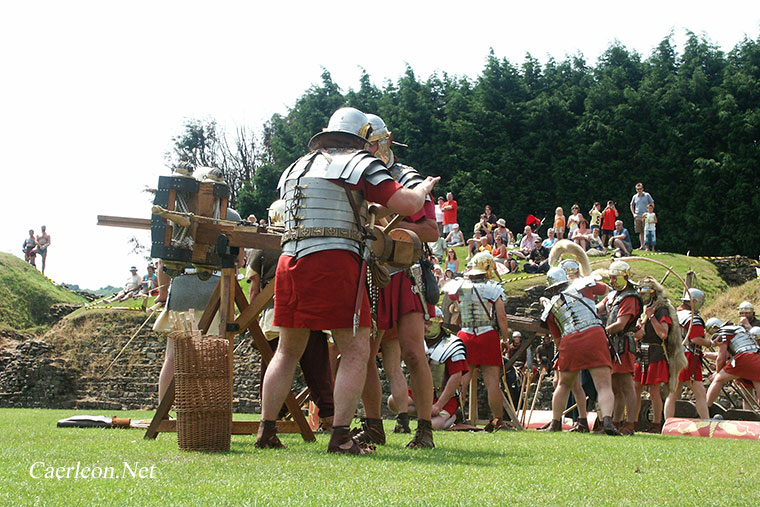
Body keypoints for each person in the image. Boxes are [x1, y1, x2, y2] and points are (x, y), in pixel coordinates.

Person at [256, 107, 439, 454]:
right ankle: (340, 436)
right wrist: (425, 188)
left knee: (286, 350)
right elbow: (407, 200)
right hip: (334, 261)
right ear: (361, 138)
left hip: (290, 258)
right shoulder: (361, 164)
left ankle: (267, 430)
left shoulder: (298, 165)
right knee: (355, 349)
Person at [352, 113, 440, 448]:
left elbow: (432, 231)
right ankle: (373, 425)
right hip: (370, 275)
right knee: (361, 354)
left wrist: (389, 225)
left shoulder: (408, 179)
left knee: (414, 353)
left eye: (371, 144)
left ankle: (425, 429)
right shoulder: (357, 176)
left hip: (405, 274)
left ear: (383, 142)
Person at [539, 266, 620, 434]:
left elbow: (557, 339)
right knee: (604, 385)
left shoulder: (551, 307)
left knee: (563, 384)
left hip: (570, 341)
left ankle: (555, 423)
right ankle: (607, 421)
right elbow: (606, 289)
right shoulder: (583, 285)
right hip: (594, 335)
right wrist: (587, 279)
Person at [447, 252, 510, 431]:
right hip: (487, 335)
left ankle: (457, 417)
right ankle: (498, 421)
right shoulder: (494, 288)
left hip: (465, 335)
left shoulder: (459, 286)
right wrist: (505, 339)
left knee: (461, 381)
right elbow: (502, 317)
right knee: (492, 383)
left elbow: (450, 303)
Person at [389, 309, 468, 431]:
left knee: (434, 425)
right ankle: (424, 413)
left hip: (445, 397)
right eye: (425, 323)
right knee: (393, 401)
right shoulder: (417, 339)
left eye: (431, 323)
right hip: (421, 392)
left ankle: (452, 416)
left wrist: (439, 404)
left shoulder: (453, 344)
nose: (427, 326)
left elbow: (456, 377)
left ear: (440, 323)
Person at [631, 276, 686, 433]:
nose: (643, 296)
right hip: (642, 352)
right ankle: (632, 423)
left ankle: (656, 424)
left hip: (656, 352)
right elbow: (640, 335)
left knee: (654, 391)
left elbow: (663, 333)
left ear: (653, 293)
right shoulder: (644, 310)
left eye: (646, 293)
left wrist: (652, 316)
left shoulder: (661, 310)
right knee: (636, 388)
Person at [600, 261, 640, 435]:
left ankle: (630, 424)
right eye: (611, 278)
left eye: (614, 278)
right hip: (613, 345)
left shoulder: (630, 297)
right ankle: (614, 423)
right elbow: (598, 308)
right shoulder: (614, 295)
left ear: (624, 277)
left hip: (623, 345)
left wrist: (600, 333)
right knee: (615, 386)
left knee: (626, 385)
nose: (612, 281)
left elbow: (620, 324)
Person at [665, 289, 711, 420]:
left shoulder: (672, 314)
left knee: (673, 393)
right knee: (700, 392)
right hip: (688, 356)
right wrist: (710, 343)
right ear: (694, 302)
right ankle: (706, 421)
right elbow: (696, 339)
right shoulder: (692, 318)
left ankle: (666, 423)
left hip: (673, 355)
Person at [705, 319, 760, 408]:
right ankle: (749, 419)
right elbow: (728, 356)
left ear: (714, 327)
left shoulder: (723, 332)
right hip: (757, 357)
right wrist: (707, 355)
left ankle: (705, 408)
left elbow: (721, 358)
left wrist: (718, 373)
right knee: (749, 396)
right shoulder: (739, 329)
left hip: (744, 358)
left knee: (718, 379)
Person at [630, 182, 655, 250]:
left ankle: (648, 247)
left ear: (642, 189)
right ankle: (642, 245)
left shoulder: (647, 195)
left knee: (647, 231)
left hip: (646, 216)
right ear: (636, 190)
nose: (639, 190)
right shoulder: (635, 196)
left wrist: (650, 213)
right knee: (640, 231)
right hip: (637, 216)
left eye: (640, 189)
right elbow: (631, 205)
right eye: (638, 189)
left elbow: (652, 203)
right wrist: (633, 214)